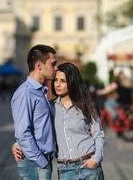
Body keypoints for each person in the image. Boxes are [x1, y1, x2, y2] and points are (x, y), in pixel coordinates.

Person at [13, 62, 105, 180]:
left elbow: (99, 135)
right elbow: (37, 129)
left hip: (89, 166)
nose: (57, 84)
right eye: (56, 80)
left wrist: (96, 159)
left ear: (72, 82)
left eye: (63, 81)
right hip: (66, 170)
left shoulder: (87, 105)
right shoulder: (50, 107)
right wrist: (17, 144)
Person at [11, 44, 57, 180]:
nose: (56, 68)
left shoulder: (41, 91)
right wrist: (41, 161)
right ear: (39, 66)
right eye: (53, 64)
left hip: (42, 160)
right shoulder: (26, 93)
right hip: (35, 163)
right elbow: (23, 132)